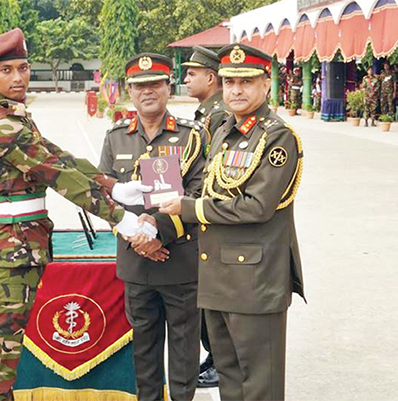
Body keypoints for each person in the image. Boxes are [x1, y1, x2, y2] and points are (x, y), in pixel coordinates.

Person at [0, 28, 155, 401]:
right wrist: (121, 218)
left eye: (23, 68)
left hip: (20, 245)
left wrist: (111, 184)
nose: (18, 77)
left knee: (6, 346)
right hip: (7, 251)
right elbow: (58, 177)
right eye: (7, 71)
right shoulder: (0, 125)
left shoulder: (14, 116)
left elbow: (57, 156)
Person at [159, 43, 306, 401]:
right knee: (229, 376)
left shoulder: (277, 137)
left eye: (246, 82)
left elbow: (256, 206)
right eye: (229, 82)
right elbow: (214, 185)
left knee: (259, 384)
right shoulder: (225, 130)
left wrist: (190, 209)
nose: (236, 91)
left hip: (255, 281)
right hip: (219, 276)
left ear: (265, 85)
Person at [98, 53, 207, 401]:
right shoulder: (116, 136)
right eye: (139, 86)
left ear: (168, 86)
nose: (147, 91)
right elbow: (102, 193)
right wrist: (138, 236)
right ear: (129, 91)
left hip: (179, 262)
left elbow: (198, 191)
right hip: (137, 261)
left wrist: (158, 229)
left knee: (184, 350)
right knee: (143, 351)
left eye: (155, 84)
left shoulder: (192, 135)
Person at [182, 45, 229, 388]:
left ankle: (219, 360)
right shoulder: (206, 113)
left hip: (209, 217)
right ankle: (215, 356)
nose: (186, 79)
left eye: (192, 73)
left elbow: (213, 171)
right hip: (201, 213)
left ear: (210, 78)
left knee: (212, 296)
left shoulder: (219, 115)